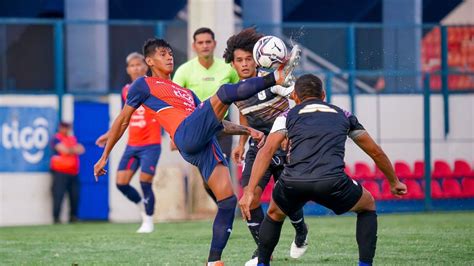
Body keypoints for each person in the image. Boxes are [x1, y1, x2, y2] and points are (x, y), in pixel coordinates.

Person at [93, 37, 300, 265]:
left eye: (170, 52)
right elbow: (123, 120)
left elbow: (215, 122)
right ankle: (276, 77)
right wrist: (105, 156)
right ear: (149, 61)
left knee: (227, 201)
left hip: (202, 142)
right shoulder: (143, 84)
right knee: (224, 92)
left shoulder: (186, 94)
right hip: (185, 134)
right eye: (163, 54)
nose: (169, 56)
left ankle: (214, 261)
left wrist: (248, 130)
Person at [239, 74, 408, 266]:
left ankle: (262, 263)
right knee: (367, 205)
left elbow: (266, 151)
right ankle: (365, 264)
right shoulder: (344, 114)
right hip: (332, 182)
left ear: (295, 96)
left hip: (294, 182)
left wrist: (250, 191)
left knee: (274, 213)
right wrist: (394, 182)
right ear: (324, 95)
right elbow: (375, 152)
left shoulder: (286, 117)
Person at [222, 28, 308, 262]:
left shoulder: (273, 81)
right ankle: (263, 251)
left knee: (286, 200)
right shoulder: (235, 91)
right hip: (258, 148)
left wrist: (293, 124)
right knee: (250, 197)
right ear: (233, 64)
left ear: (258, 58)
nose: (244, 64)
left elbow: (299, 98)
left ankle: (301, 231)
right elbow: (245, 114)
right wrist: (241, 142)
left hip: (284, 145)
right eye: (239, 60)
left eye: (248, 58)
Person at [95, 52, 161, 233]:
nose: (136, 68)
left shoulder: (154, 85)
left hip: (151, 144)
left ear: (146, 66)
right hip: (133, 145)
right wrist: (110, 134)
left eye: (139, 64)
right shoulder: (125, 91)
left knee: (144, 181)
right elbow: (123, 117)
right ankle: (141, 204)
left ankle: (148, 221)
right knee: (121, 182)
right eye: (132, 65)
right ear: (128, 69)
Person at [173, 27, 240, 158]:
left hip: (222, 126)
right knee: (200, 176)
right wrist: (175, 132)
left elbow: (241, 96)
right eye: (200, 42)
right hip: (195, 126)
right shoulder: (184, 70)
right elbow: (174, 102)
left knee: (221, 168)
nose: (205, 46)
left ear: (214, 44)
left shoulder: (228, 68)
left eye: (208, 42)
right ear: (194, 46)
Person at [50, 121, 85, 224]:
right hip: (60, 172)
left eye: (67, 127)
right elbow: (64, 150)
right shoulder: (56, 138)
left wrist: (70, 150)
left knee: (75, 195)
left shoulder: (71, 139)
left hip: (73, 172)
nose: (66, 130)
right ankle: (56, 218)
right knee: (58, 195)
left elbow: (81, 149)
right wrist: (72, 150)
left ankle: (73, 216)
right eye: (64, 127)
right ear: (60, 128)